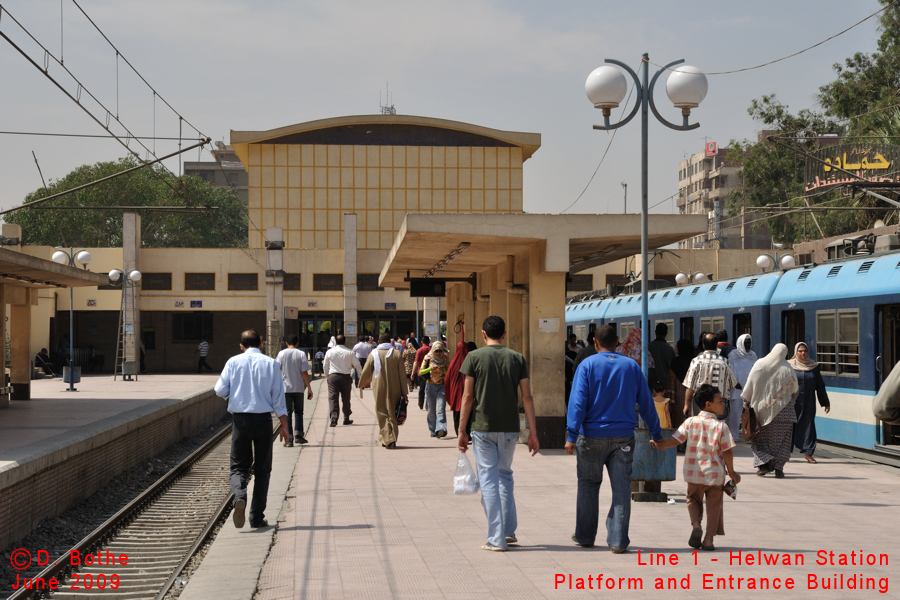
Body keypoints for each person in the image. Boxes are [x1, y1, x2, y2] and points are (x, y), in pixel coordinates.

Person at [566, 325, 662, 553]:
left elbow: (578, 403)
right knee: (621, 488)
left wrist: (571, 435)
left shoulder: (586, 366)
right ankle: (618, 540)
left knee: (588, 485)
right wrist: (656, 433)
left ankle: (585, 536)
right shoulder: (631, 366)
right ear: (618, 341)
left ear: (594, 342)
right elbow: (647, 403)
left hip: (590, 436)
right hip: (623, 438)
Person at [458, 316, 538, 552]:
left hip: (483, 428)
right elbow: (527, 397)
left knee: (488, 481)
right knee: (505, 476)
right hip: (510, 429)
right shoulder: (517, 358)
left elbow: (467, 397)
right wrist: (533, 432)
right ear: (504, 334)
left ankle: (496, 538)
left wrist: (462, 430)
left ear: (483, 334)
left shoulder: (473, 357)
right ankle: (508, 531)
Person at [214, 329, 289, 529]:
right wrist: (284, 425)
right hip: (263, 421)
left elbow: (219, 389)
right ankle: (256, 517)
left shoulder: (233, 362)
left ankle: (240, 496)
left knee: (238, 466)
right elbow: (278, 397)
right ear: (261, 344)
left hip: (240, 421)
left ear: (241, 345)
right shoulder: (271, 363)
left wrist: (235, 393)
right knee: (263, 470)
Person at [652, 384, 740, 552]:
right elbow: (727, 451)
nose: (723, 404)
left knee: (693, 499)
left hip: (694, 474)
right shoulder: (721, 426)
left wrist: (662, 445)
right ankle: (708, 539)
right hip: (715, 476)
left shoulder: (690, 422)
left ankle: (696, 524)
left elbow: (676, 440)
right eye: (720, 401)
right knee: (714, 506)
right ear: (708, 404)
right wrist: (733, 472)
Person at [741, 343, 799, 478]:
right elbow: (795, 390)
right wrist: (788, 402)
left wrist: (746, 402)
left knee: (759, 440)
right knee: (783, 442)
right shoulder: (788, 368)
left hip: (762, 410)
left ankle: (764, 464)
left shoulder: (760, 364)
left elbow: (750, 384)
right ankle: (779, 468)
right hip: (785, 412)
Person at [359, 333, 409, 449]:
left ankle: (389, 440)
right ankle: (386, 438)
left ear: (379, 341)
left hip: (379, 387)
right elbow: (402, 375)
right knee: (392, 411)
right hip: (395, 387)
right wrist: (404, 392)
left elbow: (366, 370)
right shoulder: (397, 354)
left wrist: (363, 382)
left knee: (382, 411)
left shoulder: (374, 354)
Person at [789, 342, 830, 463]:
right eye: (800, 351)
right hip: (793, 402)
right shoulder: (789, 366)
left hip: (809, 402)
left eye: (805, 351)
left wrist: (825, 402)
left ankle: (808, 453)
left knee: (809, 426)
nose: (803, 353)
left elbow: (820, 386)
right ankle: (786, 452)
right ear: (796, 352)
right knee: (790, 426)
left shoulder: (814, 367)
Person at [682, 333, 737, 420]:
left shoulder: (696, 361)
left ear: (703, 345)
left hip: (700, 405)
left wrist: (686, 404)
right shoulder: (725, 362)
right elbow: (731, 385)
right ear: (716, 345)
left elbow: (690, 386)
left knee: (700, 430)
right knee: (717, 431)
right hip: (719, 404)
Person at [276, 334, 313, 447]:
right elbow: (305, 372)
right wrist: (309, 388)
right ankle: (299, 435)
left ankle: (290, 437)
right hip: (298, 388)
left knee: (287, 412)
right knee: (298, 412)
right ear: (297, 343)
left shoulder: (281, 353)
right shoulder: (301, 354)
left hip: (285, 388)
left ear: (287, 343)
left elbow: (276, 369)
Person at [323, 334, 362, 427]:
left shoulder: (330, 352)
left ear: (335, 342)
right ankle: (346, 418)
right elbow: (357, 365)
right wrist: (360, 376)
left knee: (333, 398)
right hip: (346, 378)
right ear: (345, 342)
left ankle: (334, 419)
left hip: (333, 377)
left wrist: (327, 377)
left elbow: (325, 365)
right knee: (346, 398)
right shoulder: (350, 352)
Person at [726, 334, 757, 439]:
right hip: (736, 389)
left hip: (750, 389)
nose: (748, 345)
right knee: (735, 414)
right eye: (745, 343)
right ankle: (734, 435)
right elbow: (729, 371)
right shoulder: (733, 355)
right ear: (740, 343)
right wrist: (734, 383)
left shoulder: (753, 356)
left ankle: (751, 434)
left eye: (749, 342)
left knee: (751, 413)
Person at [421, 340, 450, 438]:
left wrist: (443, 371)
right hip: (430, 386)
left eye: (440, 351)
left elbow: (448, 373)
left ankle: (441, 429)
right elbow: (421, 372)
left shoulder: (445, 359)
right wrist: (430, 369)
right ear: (433, 350)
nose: (438, 353)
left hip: (441, 386)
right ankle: (433, 430)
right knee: (431, 410)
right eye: (436, 351)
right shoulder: (428, 358)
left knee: (441, 408)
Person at [445, 341, 473, 436]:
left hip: (456, 392)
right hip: (467, 389)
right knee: (468, 412)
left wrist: (449, 393)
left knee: (457, 413)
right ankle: (468, 433)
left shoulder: (453, 363)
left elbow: (447, 379)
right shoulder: (470, 362)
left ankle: (459, 433)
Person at [667, 339, 694, 432]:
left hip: (679, 399)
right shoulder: (695, 361)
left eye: (677, 347)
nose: (675, 348)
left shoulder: (676, 362)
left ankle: (680, 445)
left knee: (680, 425)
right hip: (695, 399)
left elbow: (671, 382)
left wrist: (670, 400)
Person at [648, 323, 677, 390]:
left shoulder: (648, 348)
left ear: (655, 332)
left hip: (650, 385)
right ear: (666, 333)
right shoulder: (670, 349)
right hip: (665, 385)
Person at [412, 336, 432, 410]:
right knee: (429, 390)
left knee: (422, 389)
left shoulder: (419, 350)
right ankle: (427, 406)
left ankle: (421, 405)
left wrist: (412, 373)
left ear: (421, 342)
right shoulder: (431, 350)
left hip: (421, 373)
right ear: (429, 342)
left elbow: (416, 362)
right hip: (430, 372)